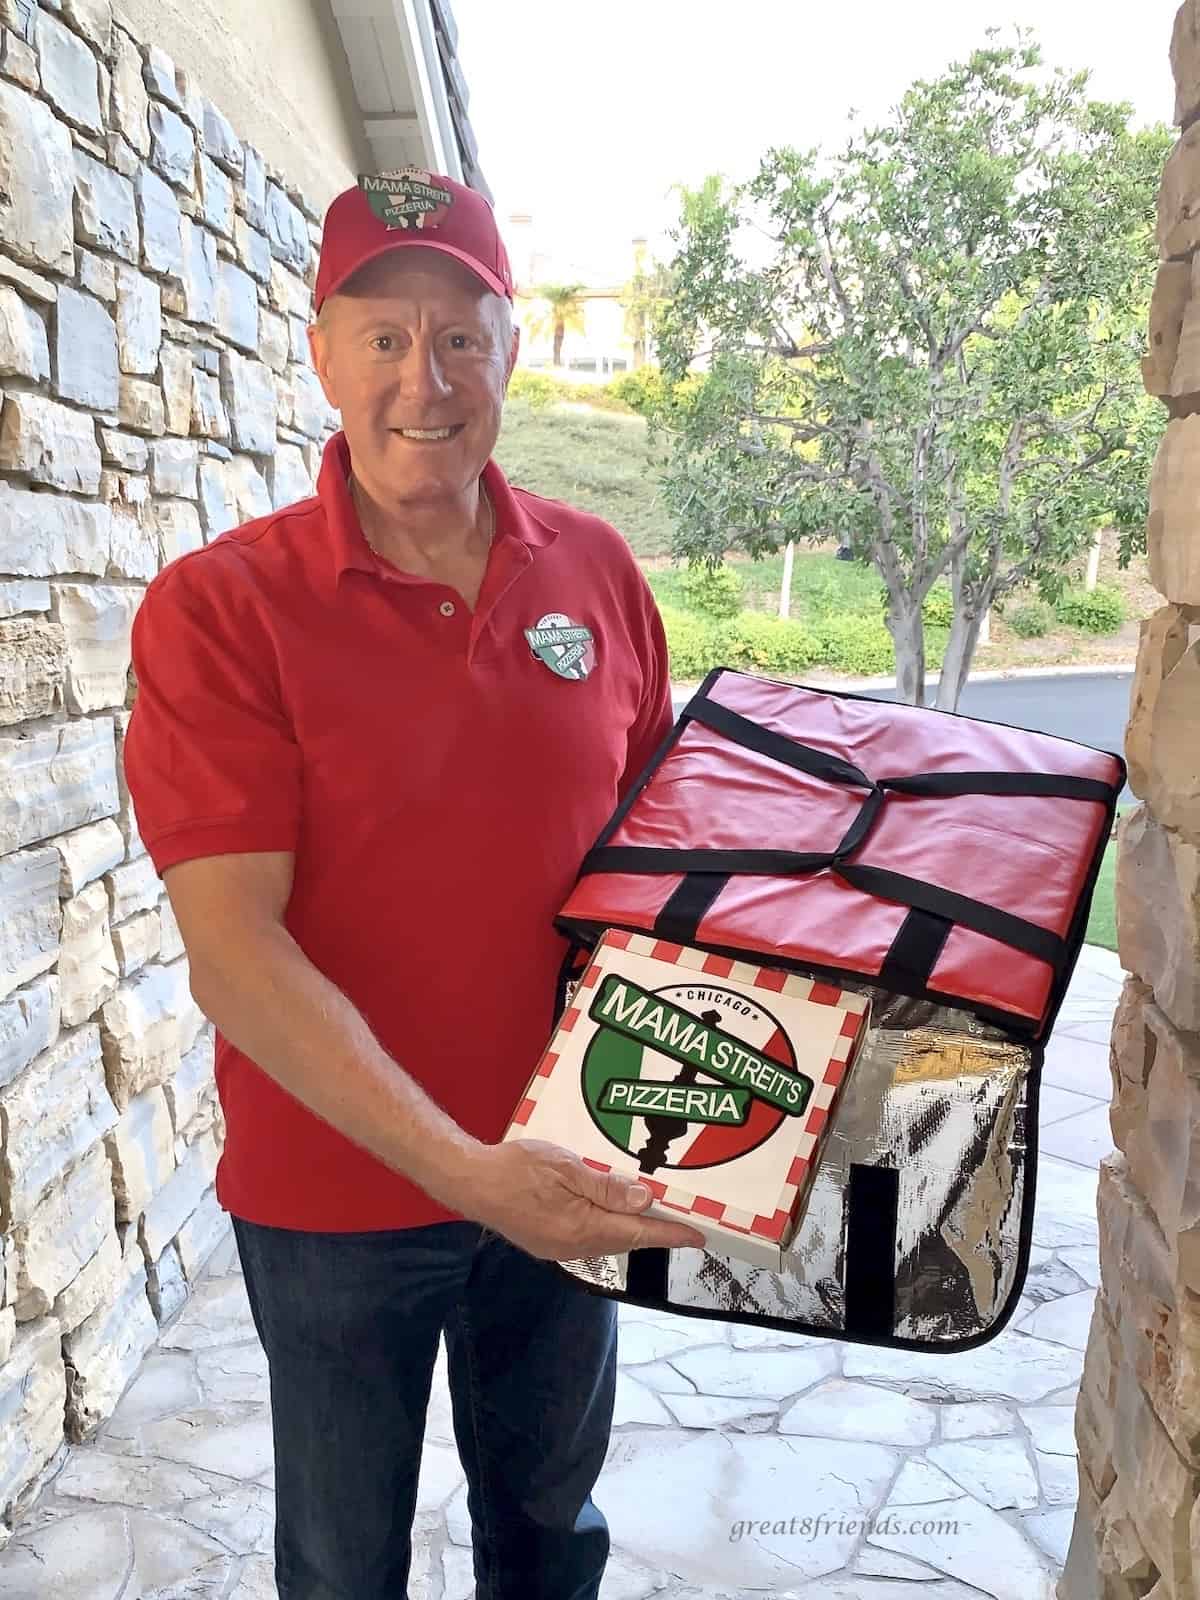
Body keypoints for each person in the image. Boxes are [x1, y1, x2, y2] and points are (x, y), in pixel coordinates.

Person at [123, 169, 704, 1600]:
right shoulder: (221, 609)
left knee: (550, 1537)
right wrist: (472, 1176)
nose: (422, 380)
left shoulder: (598, 572)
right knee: (340, 1563)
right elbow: (232, 953)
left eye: (460, 334)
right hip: (332, 1202)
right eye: (383, 336)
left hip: (567, 1168)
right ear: (321, 352)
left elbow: (662, 868)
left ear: (511, 351)